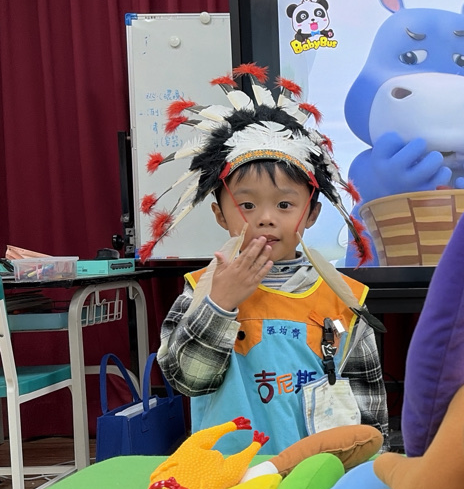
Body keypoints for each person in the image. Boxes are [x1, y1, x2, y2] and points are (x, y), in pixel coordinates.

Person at [143, 64, 388, 455]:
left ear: (311, 214)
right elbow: (187, 380)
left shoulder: (344, 299)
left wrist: (367, 472)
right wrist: (220, 303)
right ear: (220, 214)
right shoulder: (200, 290)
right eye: (247, 205)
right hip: (228, 476)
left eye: (285, 204)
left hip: (314, 478)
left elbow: (368, 411)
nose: (266, 218)